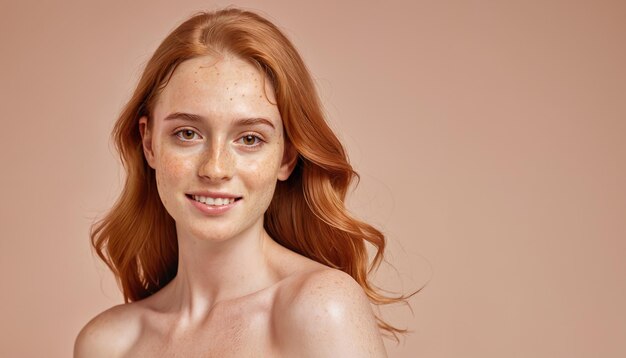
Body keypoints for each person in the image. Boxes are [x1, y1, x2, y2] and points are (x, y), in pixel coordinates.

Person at [74, 7, 411, 357]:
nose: (215, 168)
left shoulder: (322, 309)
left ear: (286, 156)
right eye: (187, 133)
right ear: (149, 143)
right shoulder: (108, 344)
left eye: (250, 139)